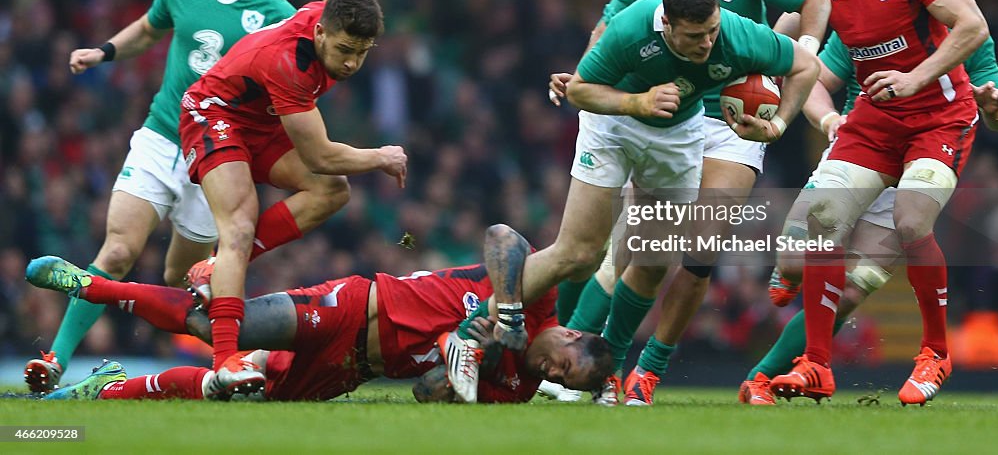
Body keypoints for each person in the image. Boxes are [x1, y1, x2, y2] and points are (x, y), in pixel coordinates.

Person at [464, 0, 819, 406]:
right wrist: (638, 101)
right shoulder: (633, 28)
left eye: (711, 31)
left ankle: (606, 370)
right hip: (614, 125)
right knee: (578, 254)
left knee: (653, 261)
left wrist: (778, 125)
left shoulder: (736, 34)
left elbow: (806, 66)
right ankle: (469, 338)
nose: (707, 44)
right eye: (695, 36)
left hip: (675, 135)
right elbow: (579, 90)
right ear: (666, 24)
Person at [546, 0, 830, 405]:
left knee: (698, 248)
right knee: (636, 247)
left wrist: (798, 55)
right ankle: (590, 364)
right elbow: (608, 32)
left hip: (733, 118)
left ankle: (648, 369)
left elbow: (813, 0)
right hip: (669, 118)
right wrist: (586, 75)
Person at [25, 0, 298, 394]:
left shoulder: (279, 15)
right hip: (159, 138)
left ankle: (191, 363)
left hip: (214, 157)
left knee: (180, 275)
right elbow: (150, 30)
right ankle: (54, 361)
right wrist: (103, 51)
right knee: (118, 251)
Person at [739, 0, 998, 405]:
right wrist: (827, 117)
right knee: (797, 255)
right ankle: (791, 283)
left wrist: (997, 107)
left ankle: (764, 376)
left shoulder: (961, 31)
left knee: (851, 288)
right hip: (865, 142)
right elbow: (813, 78)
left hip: (926, 152)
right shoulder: (865, 14)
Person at [25, 223, 613, 402]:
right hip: (354, 307)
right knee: (218, 326)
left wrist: (474, 359)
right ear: (572, 335)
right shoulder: (537, 298)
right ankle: (93, 285)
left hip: (349, 369)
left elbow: (427, 394)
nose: (552, 376)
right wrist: (505, 309)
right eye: (565, 365)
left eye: (564, 383)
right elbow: (503, 236)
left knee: (232, 392)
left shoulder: (516, 385)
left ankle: (105, 391)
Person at [176, 0, 408, 396]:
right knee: (240, 225)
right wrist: (381, 156)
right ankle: (225, 360)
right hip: (213, 113)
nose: (352, 63)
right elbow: (319, 156)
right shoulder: (291, 65)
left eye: (362, 52)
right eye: (343, 50)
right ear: (320, 33)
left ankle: (220, 265)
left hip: (258, 120)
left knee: (332, 192)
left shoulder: (340, 10)